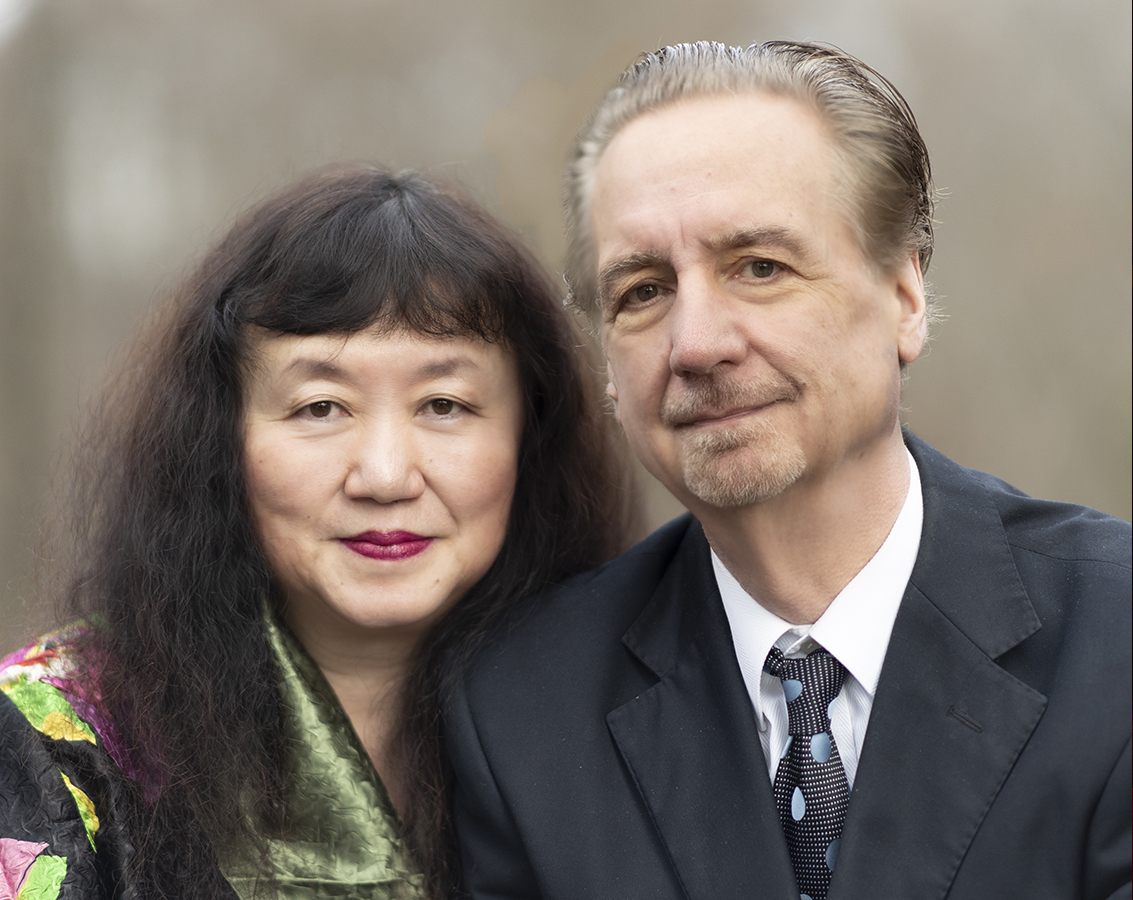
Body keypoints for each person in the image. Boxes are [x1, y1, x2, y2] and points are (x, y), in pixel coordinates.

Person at [445, 41, 1132, 900]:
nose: (696, 344)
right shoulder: (525, 714)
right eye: (643, 291)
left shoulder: (1113, 641)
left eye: (760, 268)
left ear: (903, 297)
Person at [0, 165, 632, 899]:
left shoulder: (629, 723)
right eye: (321, 407)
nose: (386, 475)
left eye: (444, 404)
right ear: (219, 440)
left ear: (531, 435)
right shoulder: (51, 743)